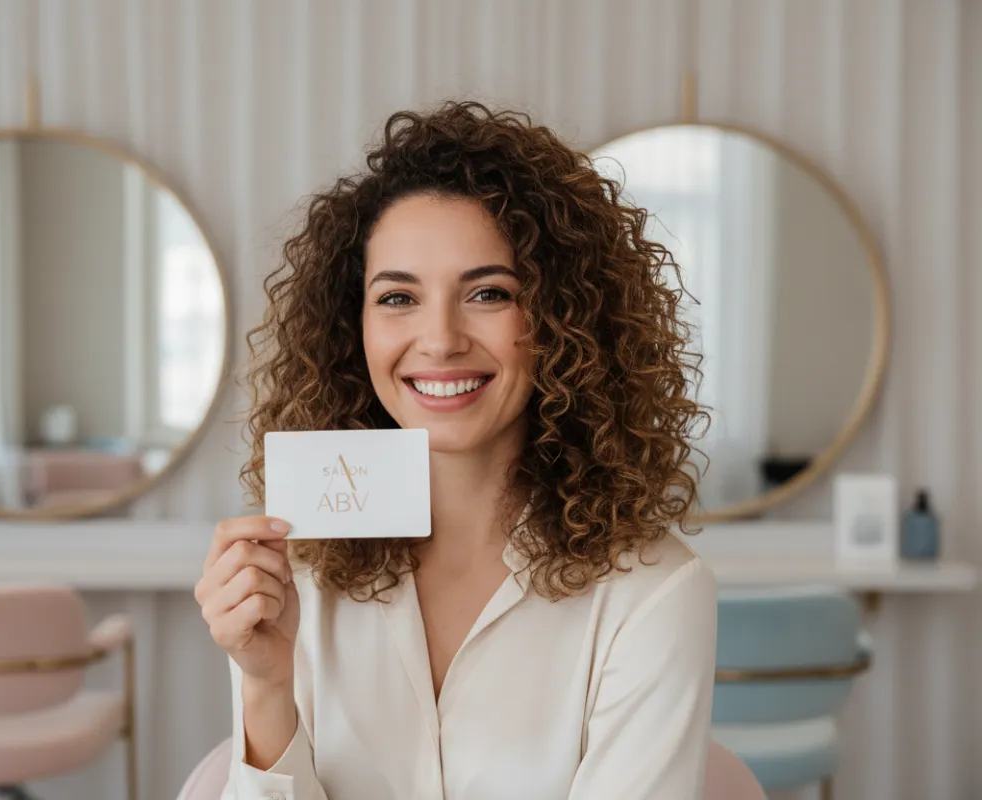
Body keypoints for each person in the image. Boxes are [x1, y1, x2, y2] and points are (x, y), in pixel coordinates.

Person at [194, 101, 718, 800]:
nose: (439, 339)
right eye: (398, 298)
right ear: (354, 330)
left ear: (564, 321)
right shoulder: (299, 576)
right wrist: (264, 684)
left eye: (489, 293)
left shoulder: (650, 593)